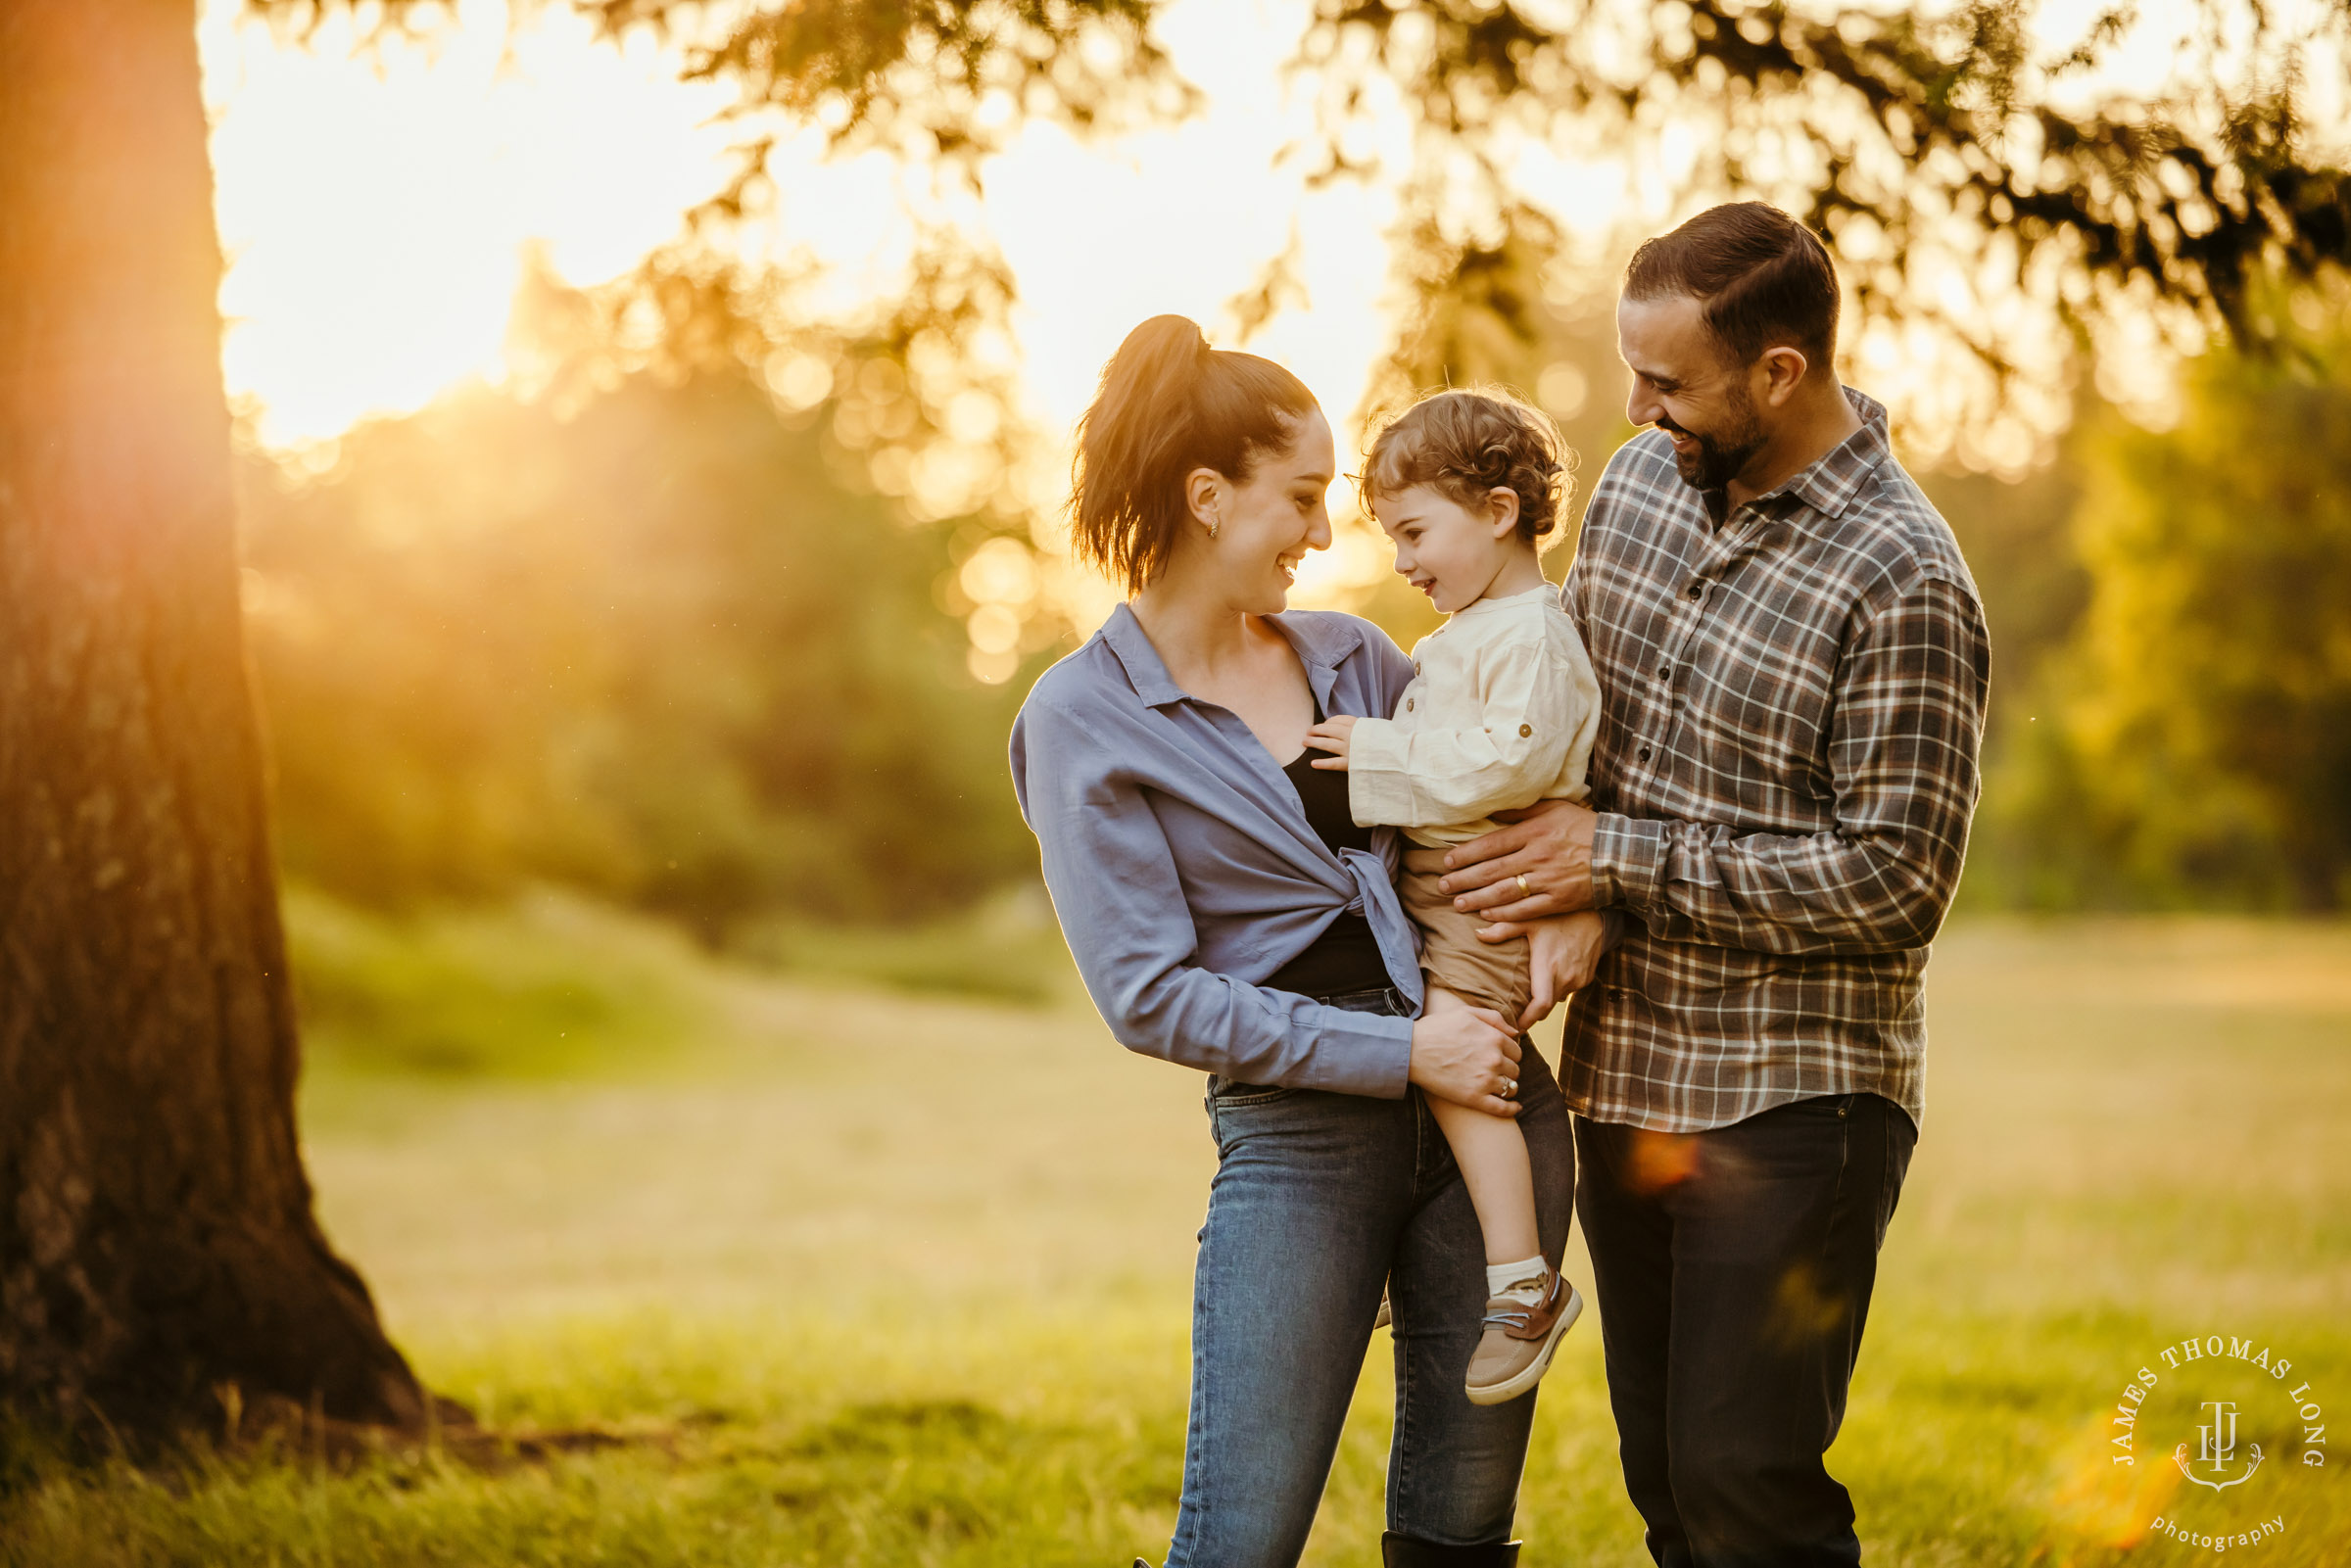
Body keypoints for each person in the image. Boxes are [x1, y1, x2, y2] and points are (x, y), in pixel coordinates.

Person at [1433, 205, 1991, 1565]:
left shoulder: (1904, 577)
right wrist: (1562, 858)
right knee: (1672, 1489)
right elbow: (1576, 719)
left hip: (1795, 1103)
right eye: (1637, 374)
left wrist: (1611, 863)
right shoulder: (1634, 487)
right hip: (1625, 1076)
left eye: (1671, 382)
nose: (1638, 407)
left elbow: (1894, 878)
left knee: (1751, 1490)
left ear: (1781, 373)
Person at [1010, 315, 1614, 1568]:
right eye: (1304, 497)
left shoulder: (1355, 656)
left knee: (1459, 1533)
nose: (1328, 535)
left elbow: (1504, 777)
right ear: (1206, 494)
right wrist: (1406, 1055)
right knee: (1239, 1540)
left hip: (1497, 1111)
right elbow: (1150, 997)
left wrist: (1580, 889)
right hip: (1300, 1139)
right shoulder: (1085, 718)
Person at [1301, 387, 1604, 1406]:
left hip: (1486, 893)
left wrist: (1375, 753)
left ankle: (1524, 1282)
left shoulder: (1533, 637)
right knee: (1416, 1056)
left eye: (1417, 530)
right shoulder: (1473, 631)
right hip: (1438, 887)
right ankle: (1422, 1257)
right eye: (1393, 538)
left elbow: (1505, 767)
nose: (1403, 560)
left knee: (1466, 1068)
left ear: (1501, 510)